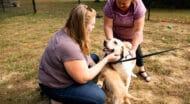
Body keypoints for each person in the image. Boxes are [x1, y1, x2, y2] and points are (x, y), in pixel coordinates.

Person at [38, 4, 121, 104]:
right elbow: (83, 78)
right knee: (99, 97)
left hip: (53, 75)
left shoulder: (69, 31)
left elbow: (86, 55)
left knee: (94, 58)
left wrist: (97, 67)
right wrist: (106, 60)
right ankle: (57, 99)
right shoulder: (68, 46)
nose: (93, 28)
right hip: (55, 86)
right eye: (92, 24)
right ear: (82, 25)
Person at [103, 0, 151, 82]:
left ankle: (141, 69)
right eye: (119, 2)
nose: (121, 5)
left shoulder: (138, 7)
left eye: (124, 3)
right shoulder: (110, 5)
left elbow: (138, 31)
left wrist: (133, 49)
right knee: (108, 57)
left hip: (132, 36)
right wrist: (111, 44)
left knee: (137, 52)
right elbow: (108, 26)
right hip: (116, 37)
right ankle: (105, 75)